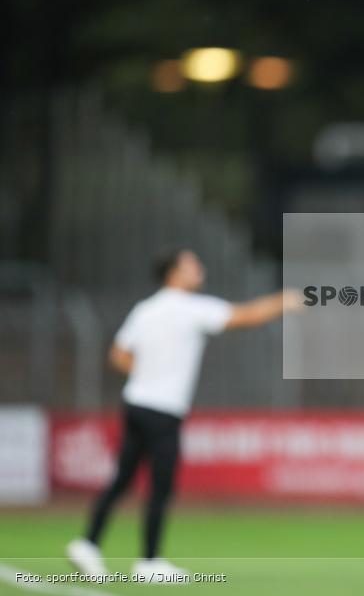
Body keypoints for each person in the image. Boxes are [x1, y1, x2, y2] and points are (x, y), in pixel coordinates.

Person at [66, 248, 302, 582]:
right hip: (163, 410)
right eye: (192, 265)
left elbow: (118, 355)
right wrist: (285, 300)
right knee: (161, 486)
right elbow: (244, 316)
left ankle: (88, 543)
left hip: (136, 402)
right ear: (174, 273)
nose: (200, 269)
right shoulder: (190, 308)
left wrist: (147, 375)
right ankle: (148, 562)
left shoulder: (145, 309)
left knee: (123, 478)